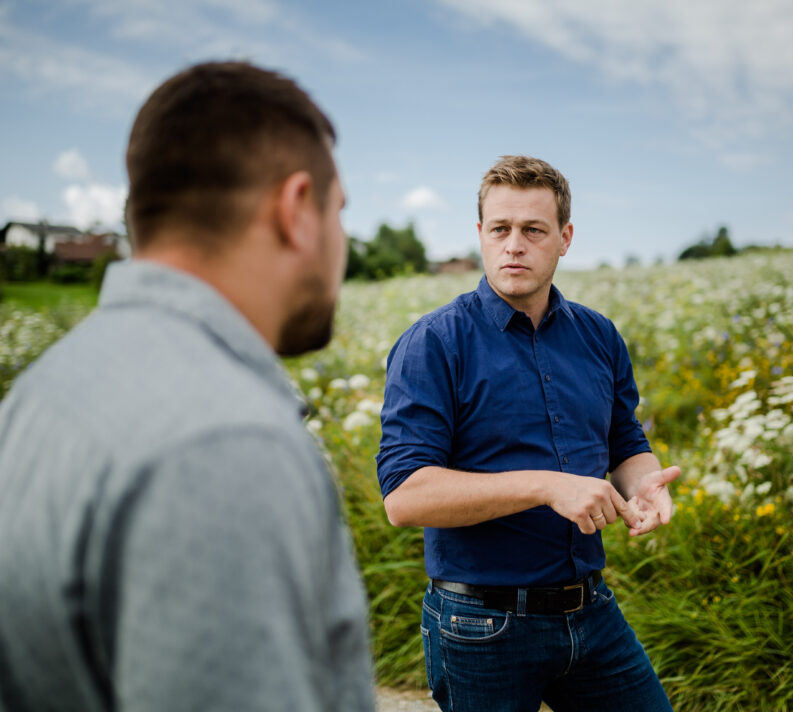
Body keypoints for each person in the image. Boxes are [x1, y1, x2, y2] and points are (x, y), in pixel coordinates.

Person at [0, 62, 374, 711]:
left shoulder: (38, 394)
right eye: (339, 212)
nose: (342, 243)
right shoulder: (227, 444)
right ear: (295, 211)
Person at [376, 155, 681, 711]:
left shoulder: (598, 335)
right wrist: (548, 486)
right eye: (501, 229)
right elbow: (404, 496)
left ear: (564, 238)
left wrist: (644, 484)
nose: (514, 244)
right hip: (480, 626)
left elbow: (625, 439)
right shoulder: (433, 343)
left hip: (592, 612)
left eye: (533, 230)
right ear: (480, 235)